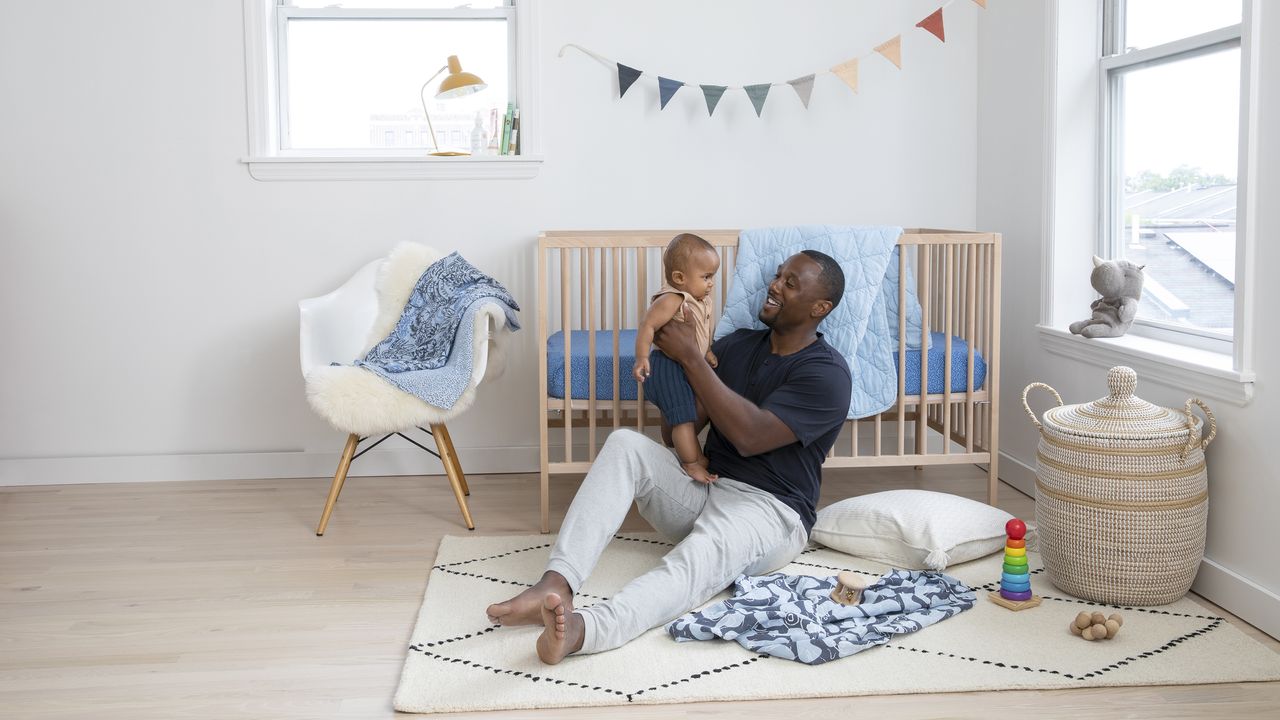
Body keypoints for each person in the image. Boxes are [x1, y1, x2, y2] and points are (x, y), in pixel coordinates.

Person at [486, 250, 852, 665]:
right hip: (706, 486)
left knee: (698, 559)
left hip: (771, 511)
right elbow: (678, 431)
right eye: (777, 275)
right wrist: (675, 372)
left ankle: (585, 631)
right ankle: (555, 584)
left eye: (790, 283)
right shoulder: (736, 347)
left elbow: (751, 436)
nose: (774, 285)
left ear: (820, 308)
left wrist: (693, 359)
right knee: (626, 443)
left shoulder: (827, 374)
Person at [632, 233, 721, 483]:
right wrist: (641, 358)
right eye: (706, 277)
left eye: (712, 276)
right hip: (668, 366)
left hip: (685, 364)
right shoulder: (672, 298)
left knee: (682, 411)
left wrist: (707, 351)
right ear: (680, 278)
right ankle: (691, 462)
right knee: (684, 417)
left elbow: (701, 331)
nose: (711, 283)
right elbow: (647, 325)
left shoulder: (701, 299)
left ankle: (680, 448)